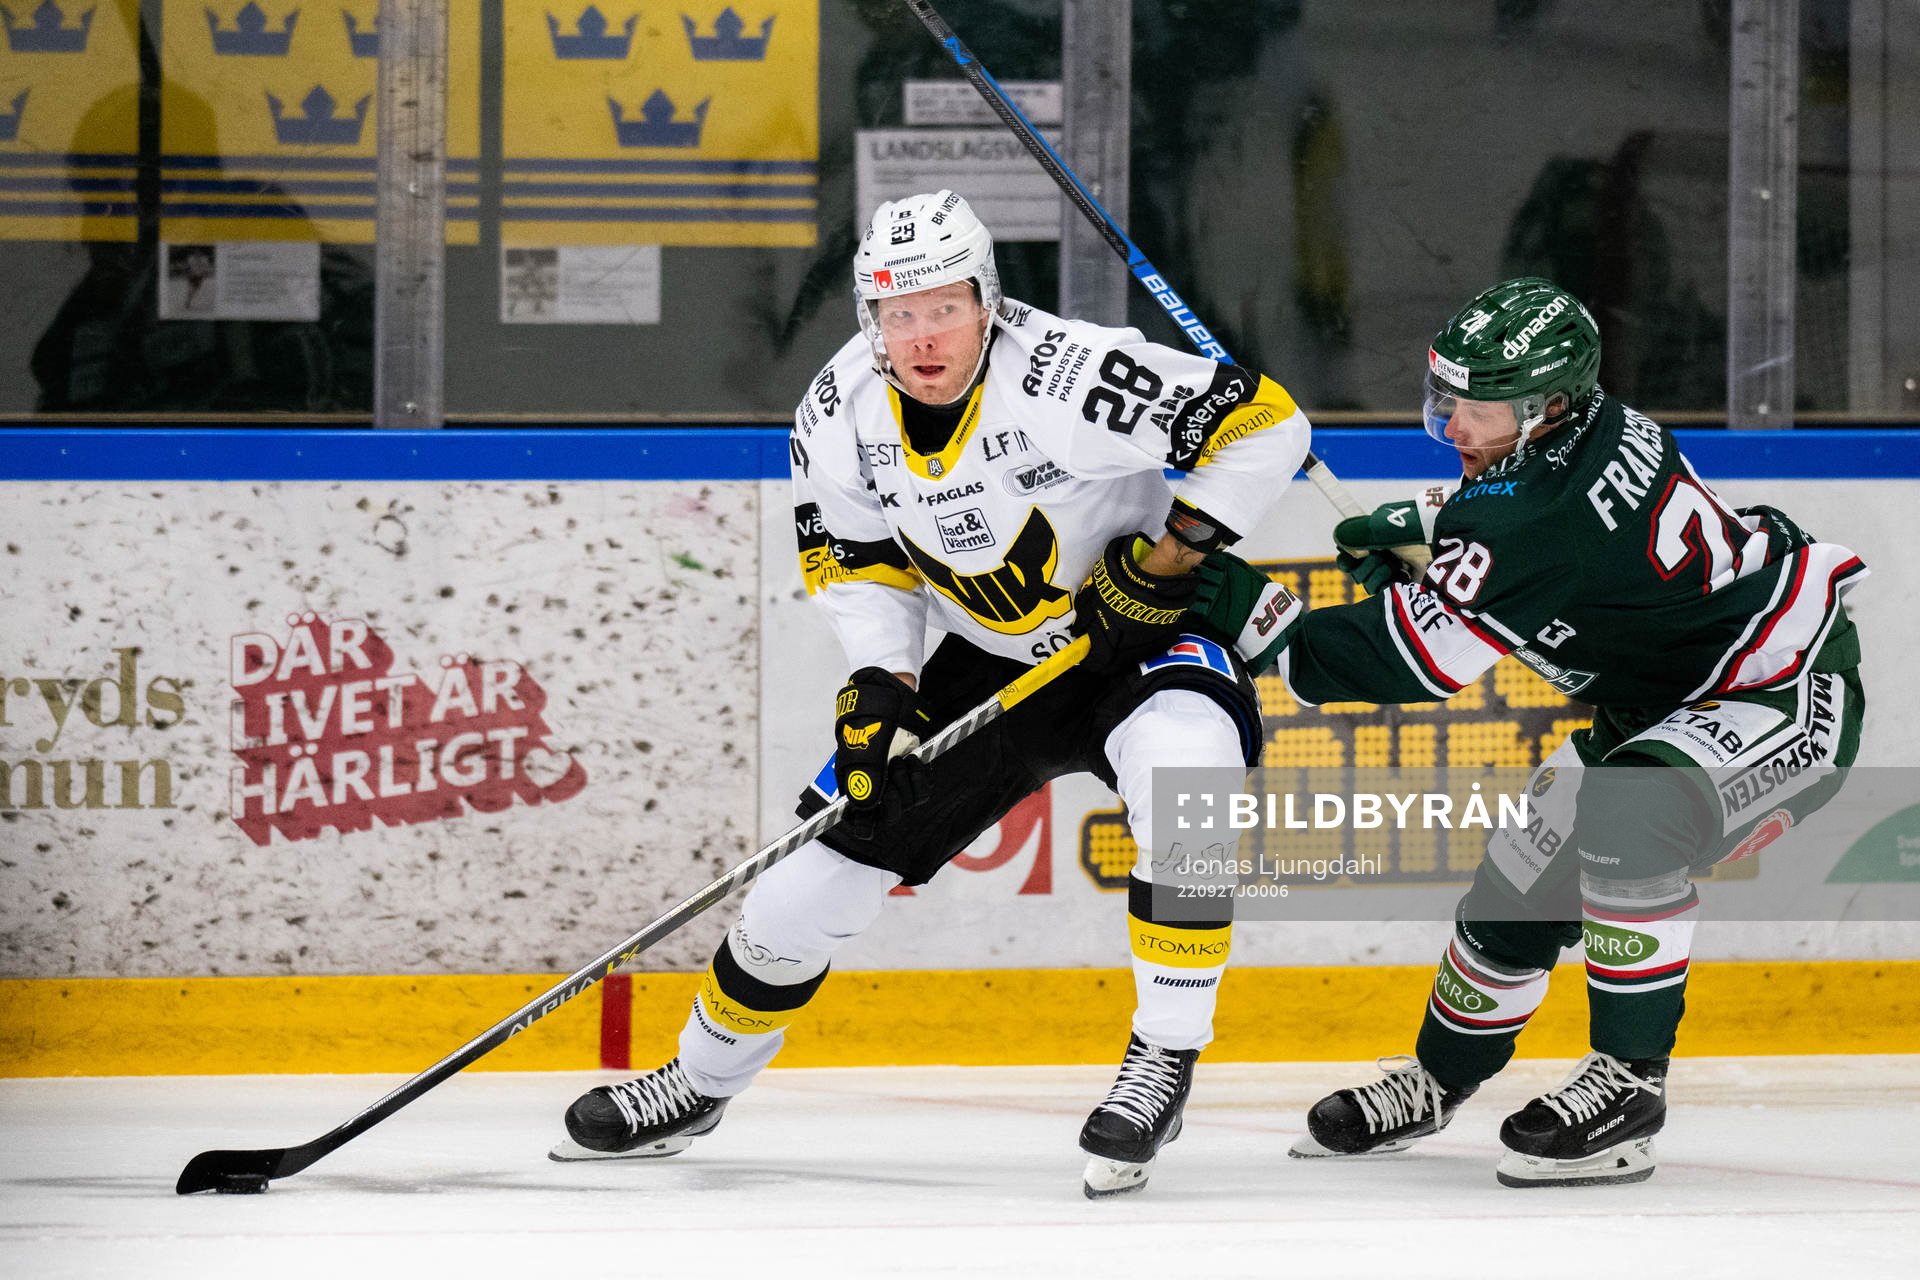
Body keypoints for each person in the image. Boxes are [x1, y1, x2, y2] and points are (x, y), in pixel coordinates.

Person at [553, 191, 1312, 1197]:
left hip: (1141, 637)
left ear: (986, 302)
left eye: (943, 306)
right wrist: (881, 684)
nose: (921, 334)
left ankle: (1163, 1059)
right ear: (870, 317)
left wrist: (1169, 559)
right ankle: (696, 1081)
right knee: (798, 891)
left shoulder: (1070, 375)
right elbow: (856, 559)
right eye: (897, 312)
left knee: (1188, 774)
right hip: (989, 657)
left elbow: (1268, 422)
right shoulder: (837, 411)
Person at [1190, 277, 1867, 1187]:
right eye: (1447, 401)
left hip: (1779, 690)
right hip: (1662, 700)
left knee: (1628, 822)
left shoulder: (1534, 520)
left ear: (1547, 407)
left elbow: (1413, 664)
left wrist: (1257, 612)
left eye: (1474, 410)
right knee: (1517, 882)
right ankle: (1438, 1080)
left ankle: (1631, 1086)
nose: (1452, 426)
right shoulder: (1595, 428)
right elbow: (1504, 515)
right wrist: (1420, 523)